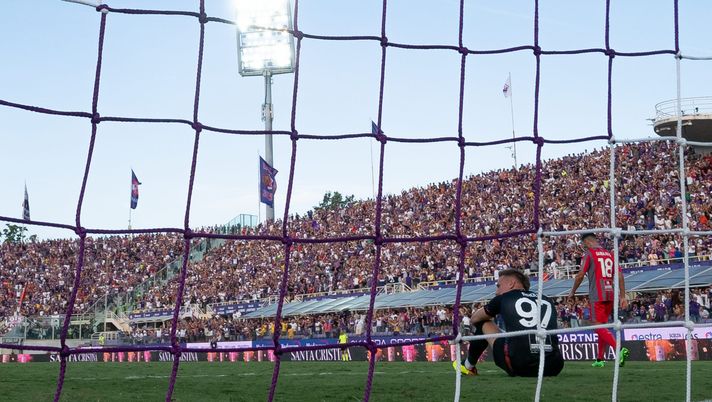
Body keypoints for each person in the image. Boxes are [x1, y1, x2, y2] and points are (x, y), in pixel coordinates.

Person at [453, 269, 564, 377]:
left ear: (511, 284)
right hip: (553, 366)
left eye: (498, 286)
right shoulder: (546, 299)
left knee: (484, 323)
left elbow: (474, 319)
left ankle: (468, 366)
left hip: (520, 364)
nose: (496, 292)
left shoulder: (503, 298)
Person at [568, 233, 629, 368]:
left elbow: (579, 275)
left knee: (596, 325)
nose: (583, 247)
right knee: (602, 326)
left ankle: (619, 350)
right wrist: (623, 296)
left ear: (588, 242)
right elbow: (619, 275)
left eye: (583, 244)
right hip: (610, 294)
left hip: (597, 294)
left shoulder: (589, 254)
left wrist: (572, 292)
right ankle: (600, 359)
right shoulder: (610, 254)